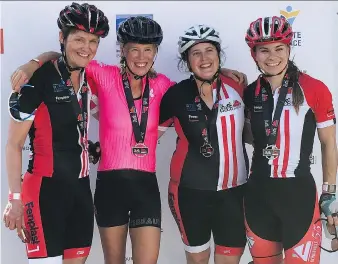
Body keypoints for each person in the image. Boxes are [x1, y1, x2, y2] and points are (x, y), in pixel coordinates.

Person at [8, 16, 247, 264]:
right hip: (110, 187)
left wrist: (221, 71)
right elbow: (66, 57)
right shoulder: (103, 75)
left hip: (146, 187)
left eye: (148, 50)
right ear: (123, 50)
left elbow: (199, 84)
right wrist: (33, 64)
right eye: (134, 49)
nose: (141, 57)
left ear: (155, 53)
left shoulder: (165, 86)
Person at [2, 2, 109, 264]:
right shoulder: (35, 82)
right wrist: (14, 199)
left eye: (93, 41)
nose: (87, 48)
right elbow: (14, 145)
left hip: (81, 190)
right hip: (43, 192)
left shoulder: (89, 79)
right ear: (63, 37)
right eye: (80, 39)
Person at [242, 16, 338, 264]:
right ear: (254, 54)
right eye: (264, 50)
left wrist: (329, 194)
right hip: (258, 195)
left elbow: (328, 143)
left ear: (289, 49)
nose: (272, 56)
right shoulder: (250, 92)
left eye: (279, 49)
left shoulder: (314, 88)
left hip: (298, 198)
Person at [159, 25, 248, 264]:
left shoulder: (238, 87)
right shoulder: (175, 95)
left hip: (234, 192)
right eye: (195, 53)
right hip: (189, 193)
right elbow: (145, 136)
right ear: (187, 61)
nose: (204, 58)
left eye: (210, 50)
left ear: (219, 55)